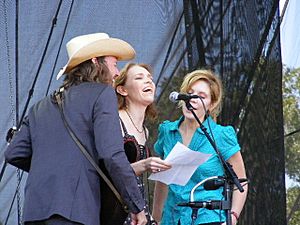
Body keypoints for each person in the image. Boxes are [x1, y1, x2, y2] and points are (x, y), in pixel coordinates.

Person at [5, 33, 147, 225]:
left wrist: (54, 168)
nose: (116, 73)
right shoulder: (102, 94)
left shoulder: (40, 106)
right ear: (96, 62)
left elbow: (14, 153)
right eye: (114, 64)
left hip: (35, 212)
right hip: (77, 210)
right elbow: (112, 154)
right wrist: (136, 205)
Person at [152, 69, 248, 225]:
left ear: (212, 103)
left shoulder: (221, 135)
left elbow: (241, 182)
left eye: (201, 96)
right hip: (172, 218)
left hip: (208, 217)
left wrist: (233, 216)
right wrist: (155, 218)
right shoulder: (167, 131)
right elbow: (162, 180)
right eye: (189, 93)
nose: (193, 99)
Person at [114, 63, 172, 224]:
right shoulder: (114, 120)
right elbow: (110, 171)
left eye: (150, 78)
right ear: (122, 90)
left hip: (138, 206)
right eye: (139, 78)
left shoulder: (144, 130)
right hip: (117, 207)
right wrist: (145, 165)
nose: (148, 81)